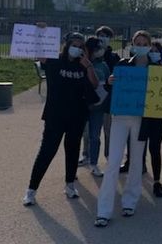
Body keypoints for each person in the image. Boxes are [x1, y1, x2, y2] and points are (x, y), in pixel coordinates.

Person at [22, 31, 99, 206]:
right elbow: (38, 52)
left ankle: (70, 185)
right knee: (47, 152)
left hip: (77, 115)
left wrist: (88, 66)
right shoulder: (54, 60)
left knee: (72, 151)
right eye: (74, 45)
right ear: (67, 45)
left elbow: (94, 84)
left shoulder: (83, 65)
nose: (77, 49)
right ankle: (31, 190)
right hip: (55, 115)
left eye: (80, 47)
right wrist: (41, 31)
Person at [95, 31, 152, 227]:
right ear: (132, 44)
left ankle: (130, 201)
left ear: (150, 45)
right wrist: (111, 82)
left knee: (136, 161)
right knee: (113, 162)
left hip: (141, 120)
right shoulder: (122, 64)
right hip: (120, 117)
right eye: (138, 42)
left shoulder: (157, 68)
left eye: (145, 43)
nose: (141, 45)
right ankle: (104, 210)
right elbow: (113, 87)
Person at [137, 41, 162, 197]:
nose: (154, 53)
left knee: (155, 148)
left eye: (157, 51)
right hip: (141, 112)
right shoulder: (141, 67)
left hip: (158, 113)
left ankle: (156, 181)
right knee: (138, 146)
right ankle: (138, 172)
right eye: (151, 51)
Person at [83, 37, 111, 177]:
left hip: (99, 105)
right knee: (81, 134)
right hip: (82, 104)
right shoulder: (81, 63)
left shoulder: (104, 66)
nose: (100, 50)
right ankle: (83, 157)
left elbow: (108, 83)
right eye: (97, 48)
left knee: (95, 135)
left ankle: (94, 163)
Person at [96, 25, 121, 161]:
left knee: (108, 129)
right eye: (100, 35)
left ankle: (109, 154)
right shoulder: (91, 54)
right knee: (90, 131)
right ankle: (87, 155)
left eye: (106, 36)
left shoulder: (114, 57)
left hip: (108, 98)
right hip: (93, 98)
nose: (103, 38)